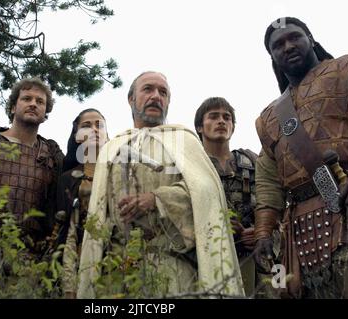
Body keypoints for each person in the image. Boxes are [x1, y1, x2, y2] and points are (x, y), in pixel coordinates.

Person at [77, 71, 244, 298]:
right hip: (118, 268)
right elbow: (99, 209)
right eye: (148, 89)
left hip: (172, 265)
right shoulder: (112, 147)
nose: (156, 96)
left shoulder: (184, 141)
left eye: (162, 92)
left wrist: (157, 199)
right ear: (131, 99)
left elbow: (205, 195)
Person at [254, 17, 348, 298]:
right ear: (272, 56)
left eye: (294, 37)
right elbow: (268, 178)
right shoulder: (268, 118)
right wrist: (263, 232)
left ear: (310, 39)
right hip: (299, 232)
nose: (287, 46)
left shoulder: (347, 69)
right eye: (278, 45)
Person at [0, 77, 64, 258]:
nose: (33, 104)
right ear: (13, 107)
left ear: (45, 113)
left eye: (40, 101)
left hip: (31, 257)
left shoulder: (51, 154)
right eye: (27, 98)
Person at [194, 97, 257, 296]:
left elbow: (274, 204)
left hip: (255, 259)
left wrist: (259, 231)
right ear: (199, 127)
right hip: (207, 260)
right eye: (213, 116)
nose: (221, 121)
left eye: (226, 117)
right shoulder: (191, 165)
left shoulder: (252, 162)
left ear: (233, 126)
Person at [56, 108, 108, 298]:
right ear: (77, 136)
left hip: (117, 263)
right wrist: (69, 285)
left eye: (99, 125)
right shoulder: (67, 179)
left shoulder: (122, 173)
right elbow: (67, 234)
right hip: (80, 263)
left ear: (107, 135)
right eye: (86, 126)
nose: (94, 129)